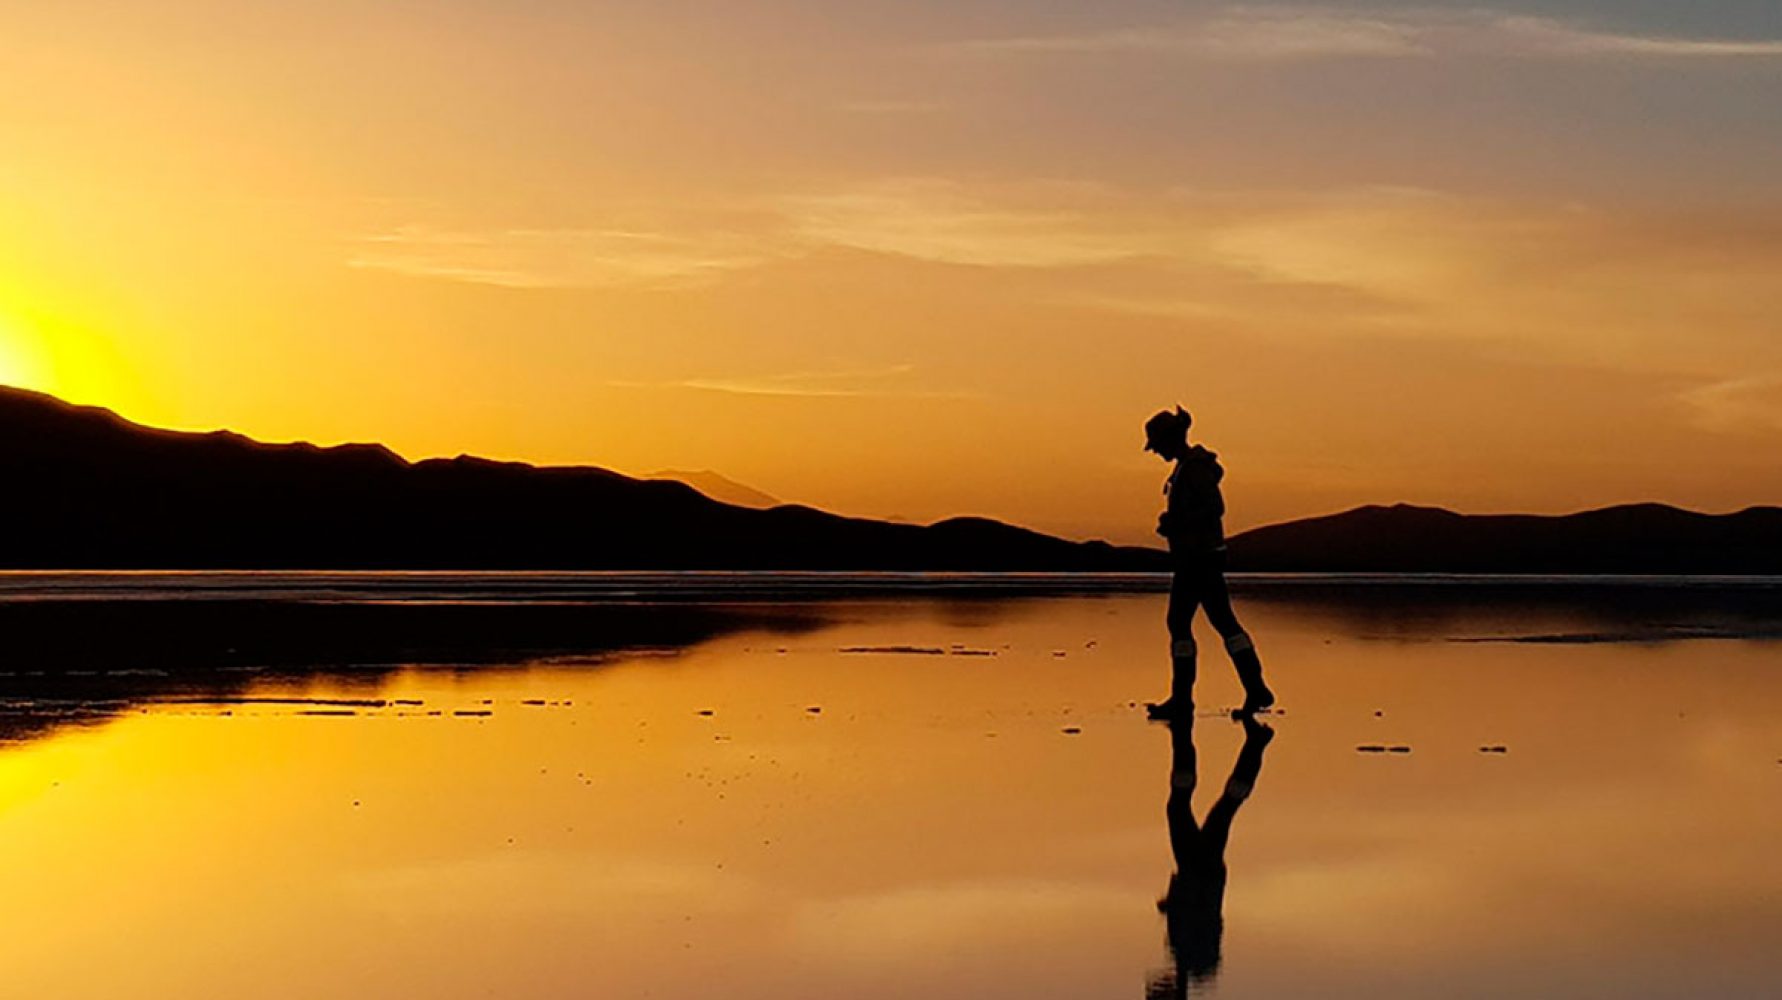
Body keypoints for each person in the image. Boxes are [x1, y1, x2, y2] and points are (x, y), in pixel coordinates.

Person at [1143, 406, 1274, 718]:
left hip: (1199, 559)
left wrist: (1178, 523)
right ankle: (1251, 689)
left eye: (1157, 445)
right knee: (1216, 623)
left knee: (1189, 622)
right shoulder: (1186, 469)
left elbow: (1215, 507)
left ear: (1169, 439)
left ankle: (1188, 699)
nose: (1156, 451)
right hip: (1197, 558)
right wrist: (1174, 522)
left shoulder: (1195, 469)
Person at [1147, 714, 1274, 999]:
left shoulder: (1191, 960)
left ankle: (1252, 743)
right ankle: (1183, 736)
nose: (1158, 984)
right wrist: (1176, 903)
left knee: (1223, 806)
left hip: (1206, 873)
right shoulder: (1194, 960)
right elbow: (1197, 914)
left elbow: (1199, 917)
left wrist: (1172, 903)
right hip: (1197, 870)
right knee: (1184, 807)